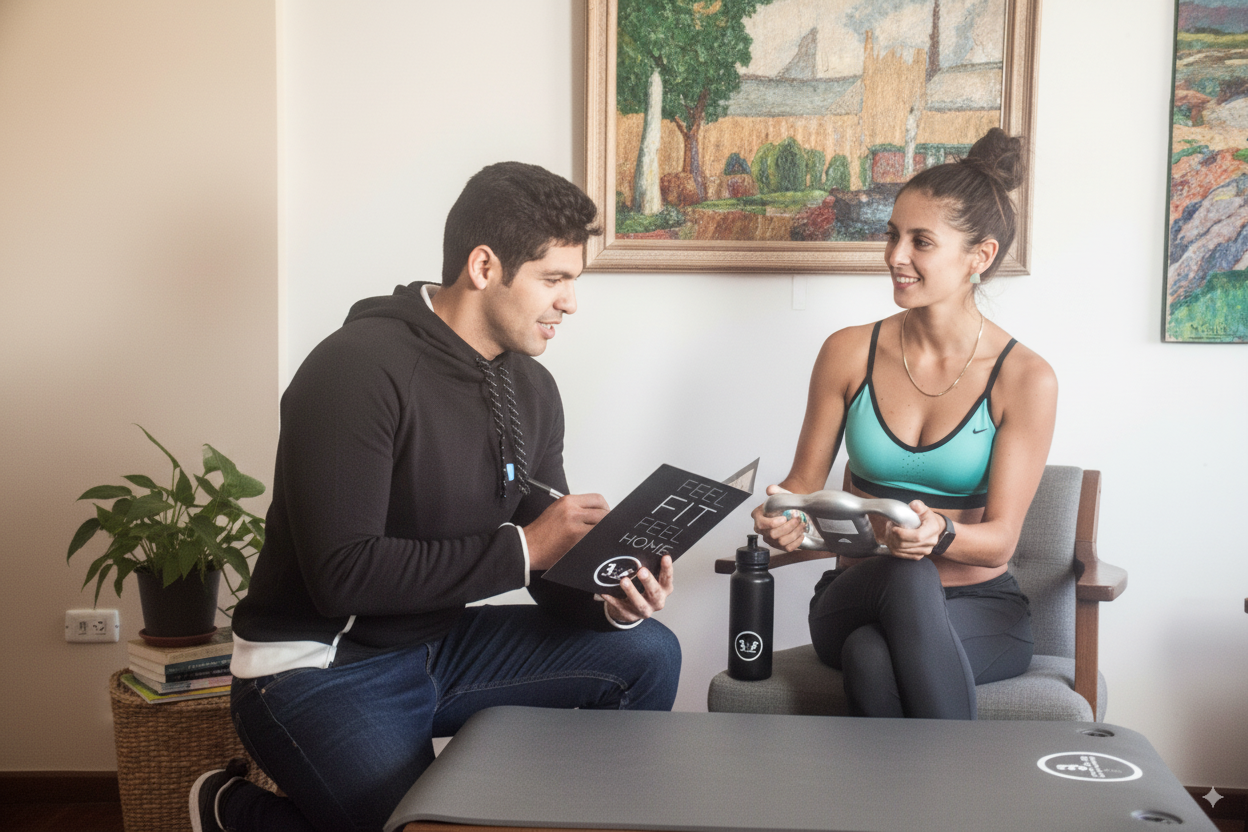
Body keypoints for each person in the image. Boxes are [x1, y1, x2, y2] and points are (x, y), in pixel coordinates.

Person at [190, 162, 681, 832]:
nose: (571, 302)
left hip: (438, 646)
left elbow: (546, 565)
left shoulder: (531, 390)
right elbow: (342, 576)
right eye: (554, 279)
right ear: (485, 267)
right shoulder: (354, 370)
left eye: (575, 281)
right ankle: (237, 812)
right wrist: (525, 547)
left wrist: (610, 593)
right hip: (319, 665)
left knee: (647, 653)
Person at [752, 129, 1056, 720]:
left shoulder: (1025, 378)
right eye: (893, 235)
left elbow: (1000, 543)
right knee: (905, 579)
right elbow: (800, 486)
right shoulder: (846, 353)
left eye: (921, 241)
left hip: (980, 606)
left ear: (980, 257)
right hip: (855, 595)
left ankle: (890, 810)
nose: (895, 255)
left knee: (871, 656)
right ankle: (958, 809)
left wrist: (938, 534)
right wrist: (780, 517)